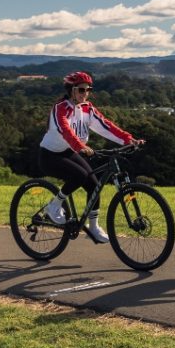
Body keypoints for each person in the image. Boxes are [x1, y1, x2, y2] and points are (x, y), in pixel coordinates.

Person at [38, 71, 144, 243]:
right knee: (79, 176)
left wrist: (128, 139)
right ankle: (53, 207)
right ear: (71, 90)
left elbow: (106, 126)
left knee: (94, 185)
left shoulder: (87, 108)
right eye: (81, 90)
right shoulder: (60, 108)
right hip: (50, 155)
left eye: (88, 90)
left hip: (69, 152)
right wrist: (81, 147)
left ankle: (93, 228)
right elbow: (65, 130)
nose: (85, 93)